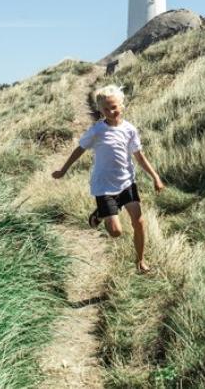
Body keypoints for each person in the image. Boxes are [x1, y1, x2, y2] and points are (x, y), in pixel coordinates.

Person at [52, 84, 166, 274]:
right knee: (115, 232)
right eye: (106, 109)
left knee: (139, 222)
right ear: (100, 110)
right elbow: (79, 149)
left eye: (114, 107)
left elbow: (139, 156)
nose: (111, 111)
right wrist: (63, 170)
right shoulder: (98, 130)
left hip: (127, 182)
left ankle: (140, 261)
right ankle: (98, 214)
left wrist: (155, 177)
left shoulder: (130, 130)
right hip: (104, 186)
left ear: (122, 105)